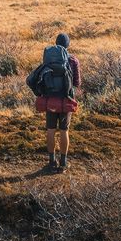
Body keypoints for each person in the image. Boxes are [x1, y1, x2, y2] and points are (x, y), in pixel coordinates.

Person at [45, 32, 81, 174]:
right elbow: (77, 83)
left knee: (51, 130)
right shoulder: (73, 60)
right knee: (64, 130)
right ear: (68, 45)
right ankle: (63, 162)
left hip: (50, 99)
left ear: (56, 43)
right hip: (66, 100)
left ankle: (51, 161)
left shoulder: (48, 59)